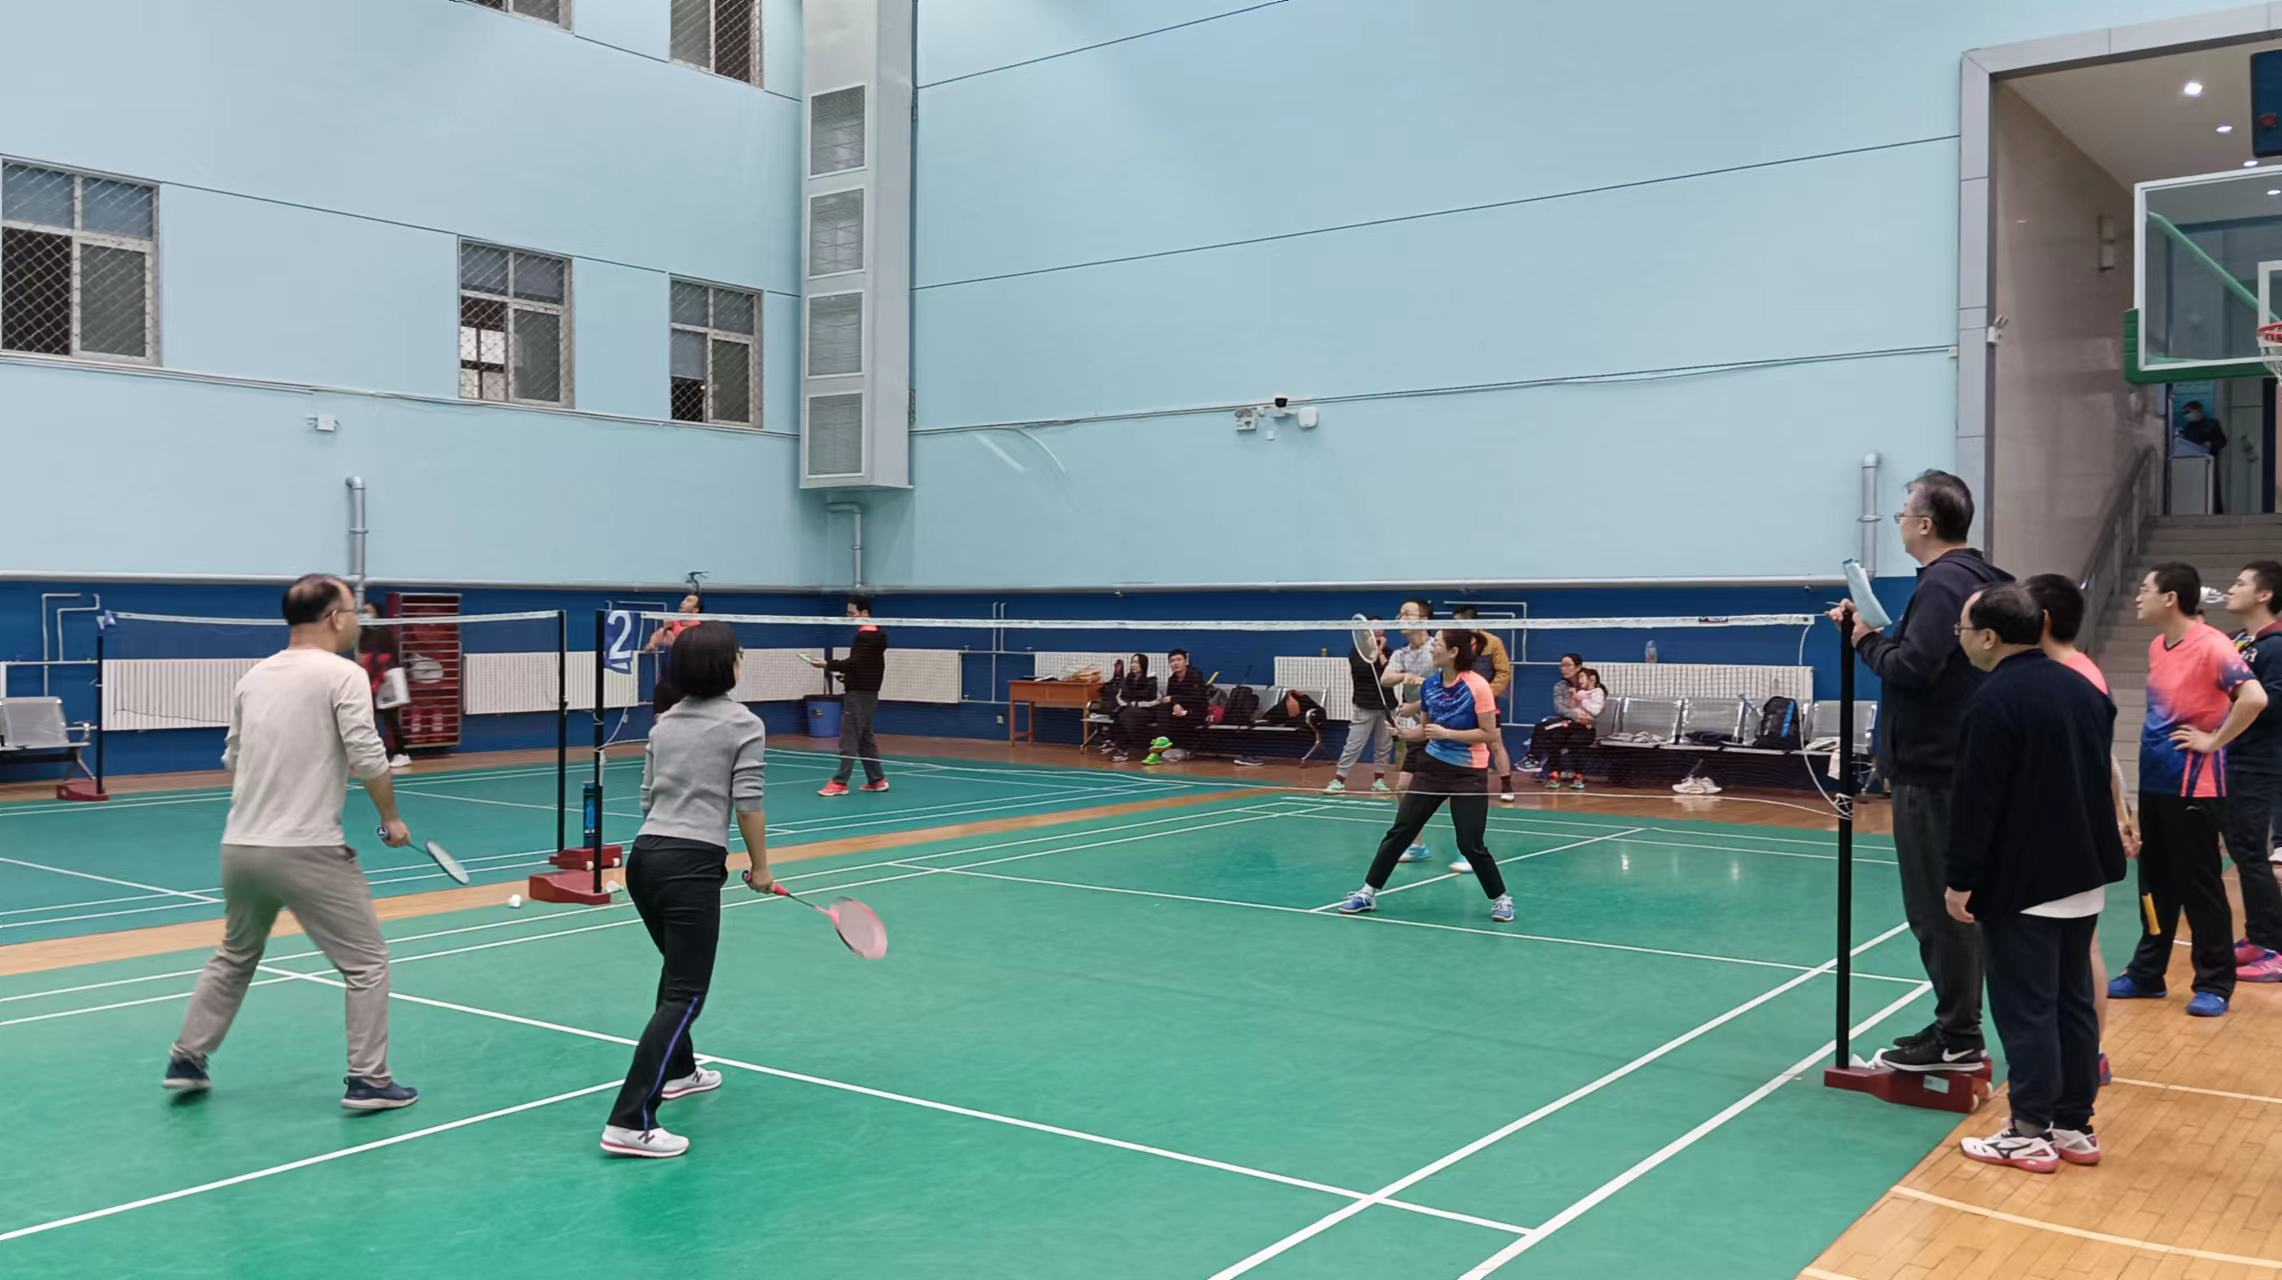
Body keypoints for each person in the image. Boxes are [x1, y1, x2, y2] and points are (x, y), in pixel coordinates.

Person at [162, 574, 418, 1111]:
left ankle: (187, 1059)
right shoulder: (343, 674)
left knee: (235, 954)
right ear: (335, 618)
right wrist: (391, 819)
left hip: (240, 847)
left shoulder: (253, 677)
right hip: (307, 848)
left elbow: (233, 757)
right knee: (367, 963)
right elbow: (367, 754)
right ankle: (369, 1080)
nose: (357, 620)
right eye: (352, 610)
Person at [1944, 584, 2127, 1173]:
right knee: (2072, 1005)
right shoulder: (2084, 690)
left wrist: (1960, 879)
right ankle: (2073, 1125)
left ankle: (2027, 1131)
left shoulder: (1992, 702)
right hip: (2084, 877)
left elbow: (1976, 803)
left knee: (2027, 1009)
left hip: (2025, 883)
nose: (1959, 638)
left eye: (1962, 629)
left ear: (1989, 637)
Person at [1834, 469, 2011, 1073]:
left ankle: (1959, 1036)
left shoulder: (1943, 583)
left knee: (1939, 909)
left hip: (1934, 771)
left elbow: (1914, 667)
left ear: (1927, 524)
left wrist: (1865, 640)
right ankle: (1955, 1024)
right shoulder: (1982, 577)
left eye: (1904, 514)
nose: (1900, 524)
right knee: (1950, 906)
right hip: (1957, 765)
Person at [602, 621, 773, 1158]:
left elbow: (647, 797)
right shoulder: (744, 724)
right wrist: (761, 868)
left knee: (676, 974)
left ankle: (680, 1072)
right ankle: (629, 1121)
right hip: (690, 865)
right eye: (738, 654)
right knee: (687, 993)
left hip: (645, 859)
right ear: (725, 666)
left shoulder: (665, 724)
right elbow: (748, 803)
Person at [2110, 563, 2268, 1018]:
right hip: (2156, 785)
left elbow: (2254, 698)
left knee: (2200, 888)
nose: (2138, 596)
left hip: (2195, 787)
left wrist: (2214, 741)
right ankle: (2147, 973)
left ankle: (2215, 982)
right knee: (2154, 885)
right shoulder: (2158, 645)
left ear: (2171, 598)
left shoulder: (2213, 645)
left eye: (2145, 589)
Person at [2021, 573, 2140, 1086]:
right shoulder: (2064, 670)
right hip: (2070, 830)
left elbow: (2105, 763)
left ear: (2042, 619)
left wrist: (2120, 818)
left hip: (2075, 834)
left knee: (2081, 948)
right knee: (2073, 949)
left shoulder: (2076, 675)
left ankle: (2090, 1053)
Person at [1334, 629, 1516, 923]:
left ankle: (1501, 899)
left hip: (1468, 773)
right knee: (1400, 832)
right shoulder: (1431, 685)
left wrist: (1448, 734)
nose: (1432, 649)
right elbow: (1425, 729)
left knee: (1470, 843)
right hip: (1432, 769)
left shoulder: (1477, 686)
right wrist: (1404, 733)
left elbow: (1489, 734)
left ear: (1453, 652)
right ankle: (1367, 893)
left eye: (1438, 644)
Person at [2224, 561, 2282, 982]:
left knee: (2252, 854)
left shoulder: (2276, 646)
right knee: (2243, 851)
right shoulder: (2239, 641)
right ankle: (2258, 935)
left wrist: (2234, 699)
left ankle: (2275, 948)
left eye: (2241, 583)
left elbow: (2271, 704)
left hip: (2260, 763)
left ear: (2265, 594)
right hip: (2234, 758)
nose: (2232, 588)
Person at [809, 596, 888, 797]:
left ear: (865, 613)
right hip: (868, 692)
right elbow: (866, 666)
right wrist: (848, 677)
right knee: (864, 738)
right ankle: (877, 780)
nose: (848, 617)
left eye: (852, 613)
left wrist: (827, 664)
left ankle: (840, 782)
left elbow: (854, 662)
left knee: (849, 737)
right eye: (848, 613)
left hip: (859, 695)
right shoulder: (876, 635)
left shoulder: (865, 637)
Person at [1383, 599, 1439, 860]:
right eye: (1400, 613)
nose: (1401, 618)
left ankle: (1469, 851)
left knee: (1455, 793)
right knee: (1403, 788)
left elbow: (1447, 687)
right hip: (1421, 728)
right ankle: (1417, 845)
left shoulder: (1437, 649)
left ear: (1424, 620)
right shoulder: (1401, 654)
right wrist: (1405, 677)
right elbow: (1386, 678)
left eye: (1408, 613)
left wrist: (1415, 703)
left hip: (1447, 728)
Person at [1451, 606, 1517, 802]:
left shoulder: (1492, 642)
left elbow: (1503, 672)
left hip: (1487, 702)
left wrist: (1486, 694)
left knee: (1495, 743)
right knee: (1459, 742)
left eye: (1458, 622)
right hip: (1460, 702)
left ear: (1470, 621)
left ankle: (1506, 785)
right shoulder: (1454, 644)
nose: (1454, 626)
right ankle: (1459, 784)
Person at [1325, 619, 1394, 794]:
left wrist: (1381, 651)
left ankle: (1379, 781)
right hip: (1364, 705)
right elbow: (1363, 671)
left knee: (1383, 746)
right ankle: (1339, 780)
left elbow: (1388, 674)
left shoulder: (1390, 652)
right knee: (1354, 744)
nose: (1377, 629)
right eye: (1373, 626)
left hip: (1387, 705)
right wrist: (1376, 651)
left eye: (1380, 626)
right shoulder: (1357, 651)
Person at [356, 601, 411, 771]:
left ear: (377, 614)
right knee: (367, 717)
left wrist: (370, 659)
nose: (365, 614)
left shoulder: (384, 632)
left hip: (387, 681)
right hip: (371, 681)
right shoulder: (363, 634)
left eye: (369, 611)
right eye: (363, 611)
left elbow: (390, 656)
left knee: (391, 719)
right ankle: (372, 754)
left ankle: (401, 753)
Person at [1524, 654, 1592, 782]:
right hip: (1568, 723)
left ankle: (1533, 759)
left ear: (1578, 667)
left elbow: (1595, 705)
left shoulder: (1588, 683)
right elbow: (1560, 708)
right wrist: (1575, 715)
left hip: (1586, 726)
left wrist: (1582, 715)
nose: (1563, 669)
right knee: (1553, 735)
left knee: (1543, 728)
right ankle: (1553, 771)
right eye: (1562, 666)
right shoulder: (1560, 686)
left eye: (1567, 665)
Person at [1145, 648, 1212, 764]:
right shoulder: (1172, 679)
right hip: (1179, 709)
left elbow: (1196, 698)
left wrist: (1175, 700)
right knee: (1162, 708)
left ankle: (1182, 748)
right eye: (1172, 661)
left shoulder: (1195, 676)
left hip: (1196, 710)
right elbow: (1169, 698)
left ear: (1186, 661)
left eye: (1178, 660)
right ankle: (1161, 742)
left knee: (1178, 718)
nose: (1175, 663)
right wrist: (1176, 704)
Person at [646, 591, 705, 716]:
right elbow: (657, 637)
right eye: (684, 600)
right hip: (665, 681)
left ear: (695, 610)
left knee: (684, 718)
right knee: (660, 718)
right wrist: (652, 643)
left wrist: (671, 638)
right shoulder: (672, 623)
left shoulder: (698, 629)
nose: (683, 602)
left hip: (686, 682)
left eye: (688, 601)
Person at [1107, 654, 1158, 762]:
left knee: (1125, 716)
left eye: (1137, 662)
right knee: (1120, 715)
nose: (1133, 665)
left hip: (1146, 710)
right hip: (1128, 709)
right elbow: (1120, 696)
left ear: (1143, 664)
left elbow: (1156, 700)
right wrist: (1126, 704)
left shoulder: (1151, 681)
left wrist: (1137, 705)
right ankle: (1122, 747)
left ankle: (1128, 748)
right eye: (1132, 662)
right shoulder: (1127, 679)